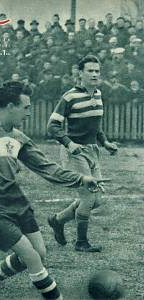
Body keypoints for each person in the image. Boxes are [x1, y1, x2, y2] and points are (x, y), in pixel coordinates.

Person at [0, 80, 101, 300]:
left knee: (40, 253)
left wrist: (81, 178)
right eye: (26, 107)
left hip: (14, 199)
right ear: (10, 106)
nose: (29, 112)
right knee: (31, 256)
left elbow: (46, 167)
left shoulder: (18, 137)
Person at [47, 55, 118, 252]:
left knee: (97, 200)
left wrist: (106, 143)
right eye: (90, 71)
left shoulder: (98, 94)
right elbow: (52, 126)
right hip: (74, 152)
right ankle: (81, 242)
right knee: (88, 197)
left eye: (97, 71)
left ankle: (58, 220)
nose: (95, 74)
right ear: (80, 73)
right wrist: (69, 144)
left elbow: (95, 126)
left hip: (92, 151)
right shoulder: (69, 97)